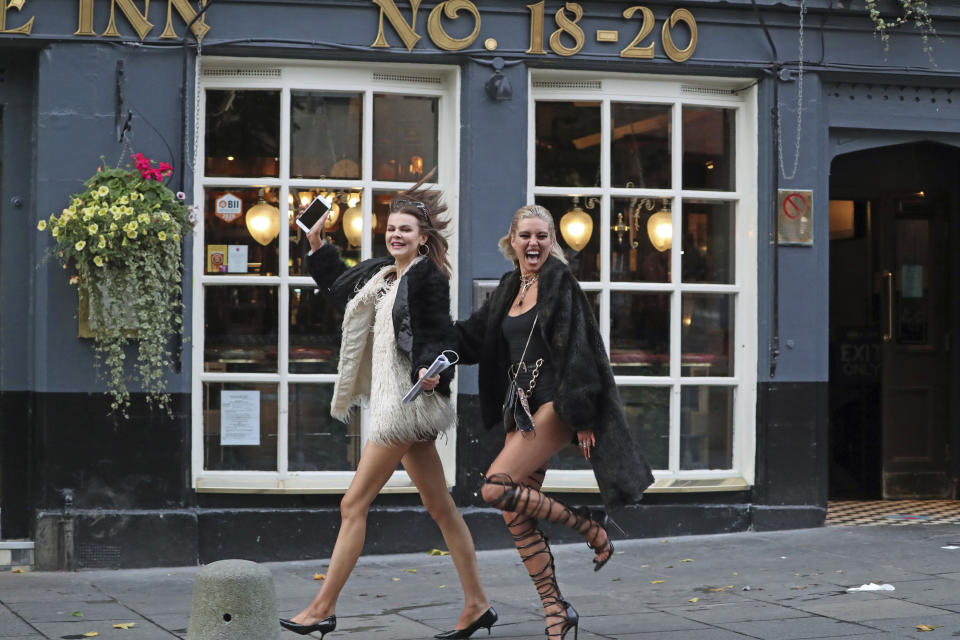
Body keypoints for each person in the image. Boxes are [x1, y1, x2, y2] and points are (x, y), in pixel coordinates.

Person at [280, 176, 496, 639]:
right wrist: (316, 242)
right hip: (397, 404)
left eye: (406, 230)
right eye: (391, 228)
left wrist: (429, 369)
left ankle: (322, 608)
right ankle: (477, 604)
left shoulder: (426, 277)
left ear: (423, 238)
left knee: (352, 504)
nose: (396, 235)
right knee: (441, 508)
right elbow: (340, 288)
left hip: (402, 407)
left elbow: (438, 334)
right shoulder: (383, 273)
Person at [453, 204, 655, 640]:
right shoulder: (510, 286)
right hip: (520, 410)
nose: (534, 243)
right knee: (514, 514)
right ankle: (556, 610)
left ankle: (588, 525)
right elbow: (473, 338)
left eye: (542, 236)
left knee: (494, 487)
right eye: (526, 235)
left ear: (551, 242)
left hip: (557, 405)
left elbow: (580, 348)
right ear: (512, 240)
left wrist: (582, 416)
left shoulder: (559, 282)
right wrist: (431, 337)